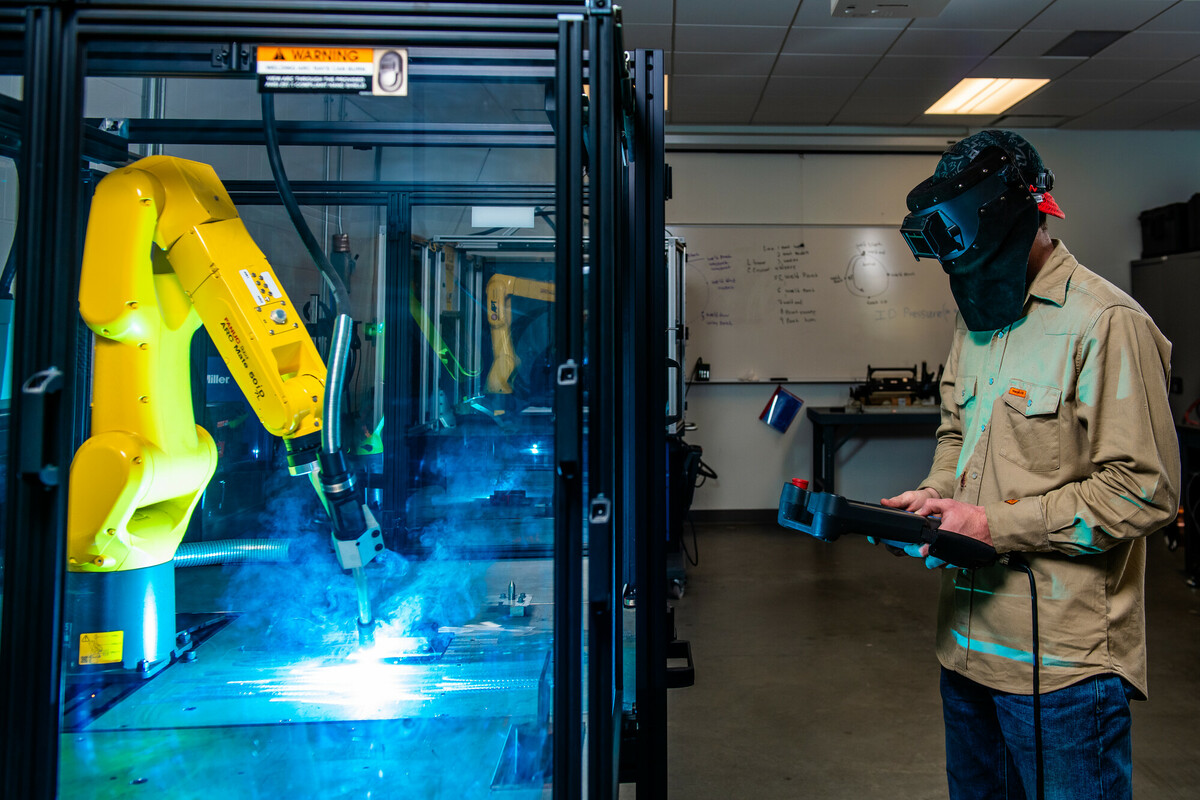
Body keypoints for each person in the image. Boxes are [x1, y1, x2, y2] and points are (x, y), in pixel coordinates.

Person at [883, 130, 1180, 800]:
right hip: (964, 646)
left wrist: (995, 525)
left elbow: (1146, 491)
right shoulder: (979, 319)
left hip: (1063, 671)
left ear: (1034, 217)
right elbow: (958, 432)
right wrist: (935, 497)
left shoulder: (1105, 324)